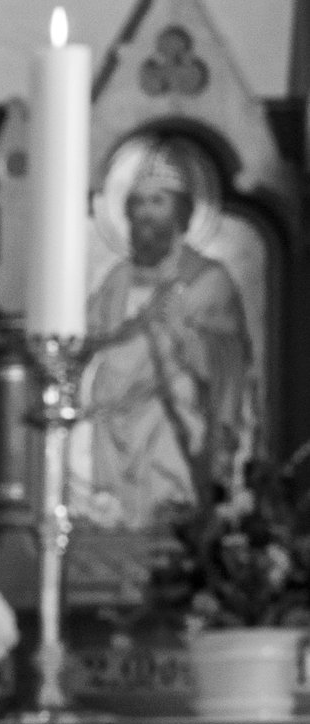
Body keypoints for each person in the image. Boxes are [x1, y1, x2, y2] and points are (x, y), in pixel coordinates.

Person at [81, 147, 255, 529]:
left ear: (181, 212)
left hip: (173, 412)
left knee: (171, 415)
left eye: (157, 201)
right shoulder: (118, 279)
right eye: (138, 202)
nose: (145, 212)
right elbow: (86, 339)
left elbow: (229, 358)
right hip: (113, 415)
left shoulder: (207, 278)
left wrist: (180, 330)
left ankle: (177, 517)